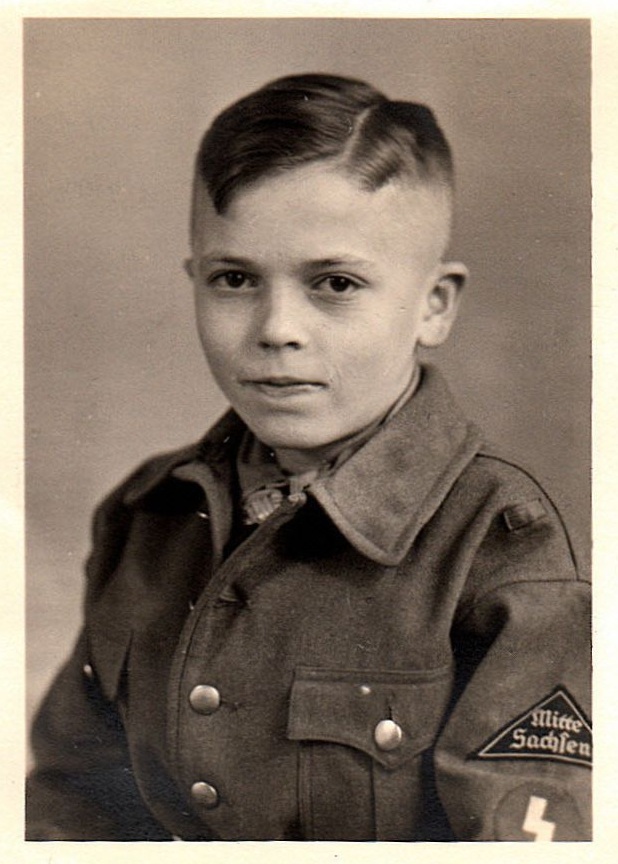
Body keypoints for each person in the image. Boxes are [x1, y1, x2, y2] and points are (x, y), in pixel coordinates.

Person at [26, 73, 591, 842]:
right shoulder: (148, 515)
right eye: (234, 279)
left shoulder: (503, 544)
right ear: (194, 282)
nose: (276, 329)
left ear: (434, 305)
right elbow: (75, 805)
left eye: (334, 283)